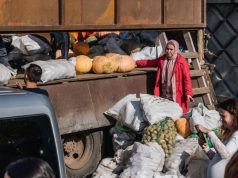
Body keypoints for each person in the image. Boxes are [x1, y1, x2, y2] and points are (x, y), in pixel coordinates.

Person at [136, 39, 193, 113]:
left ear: (176, 50)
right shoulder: (162, 59)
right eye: (167, 49)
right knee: (166, 110)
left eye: (171, 49)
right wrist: (137, 62)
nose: (168, 51)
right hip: (164, 93)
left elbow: (187, 79)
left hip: (177, 94)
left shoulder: (182, 62)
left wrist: (188, 93)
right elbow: (150, 62)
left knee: (177, 112)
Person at [197, 98, 238, 178]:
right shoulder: (230, 134)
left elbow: (225, 154)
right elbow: (220, 159)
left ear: (235, 115)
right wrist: (207, 149)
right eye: (220, 116)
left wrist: (209, 132)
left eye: (223, 116)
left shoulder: (237, 135)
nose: (221, 119)